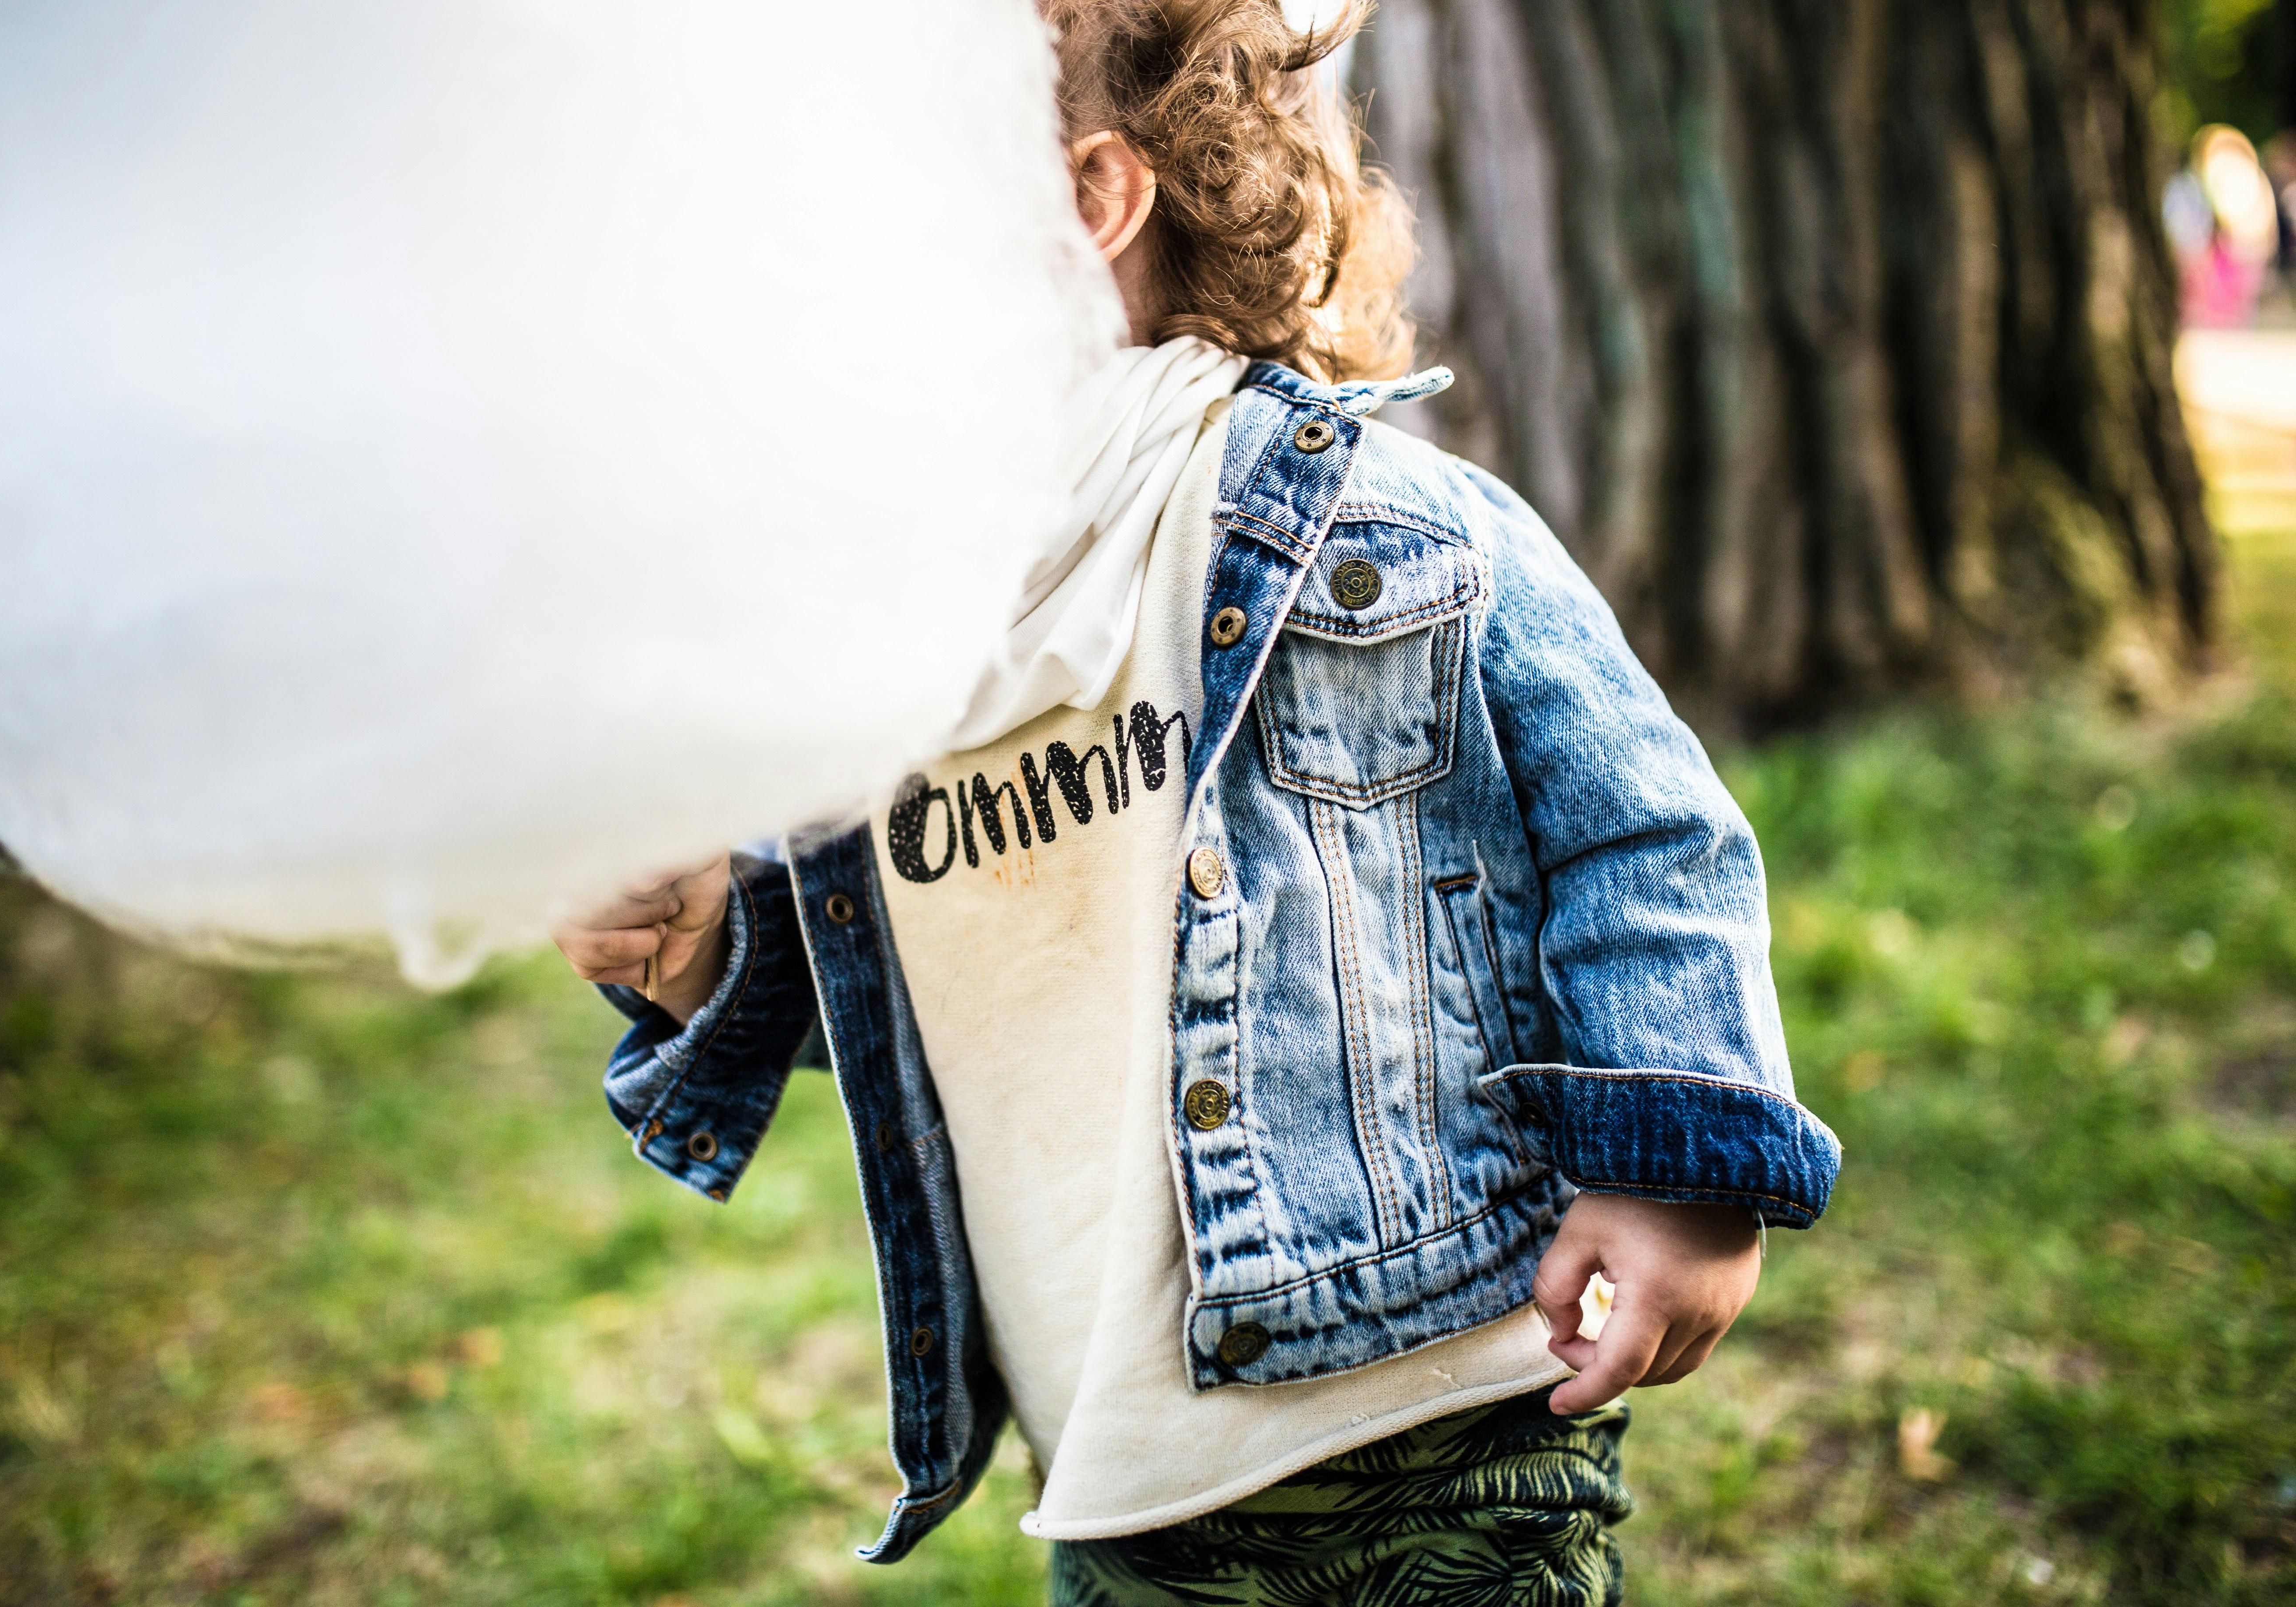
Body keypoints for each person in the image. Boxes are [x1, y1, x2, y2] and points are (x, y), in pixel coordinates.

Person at [552, 3, 1838, 1601]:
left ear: (1091, 199)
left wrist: (1681, 1163)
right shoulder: (888, 644)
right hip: (1112, 1465)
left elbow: (1650, 832)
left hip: (1423, 1422)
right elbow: (926, 973)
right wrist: (704, 947)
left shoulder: (1383, 525)